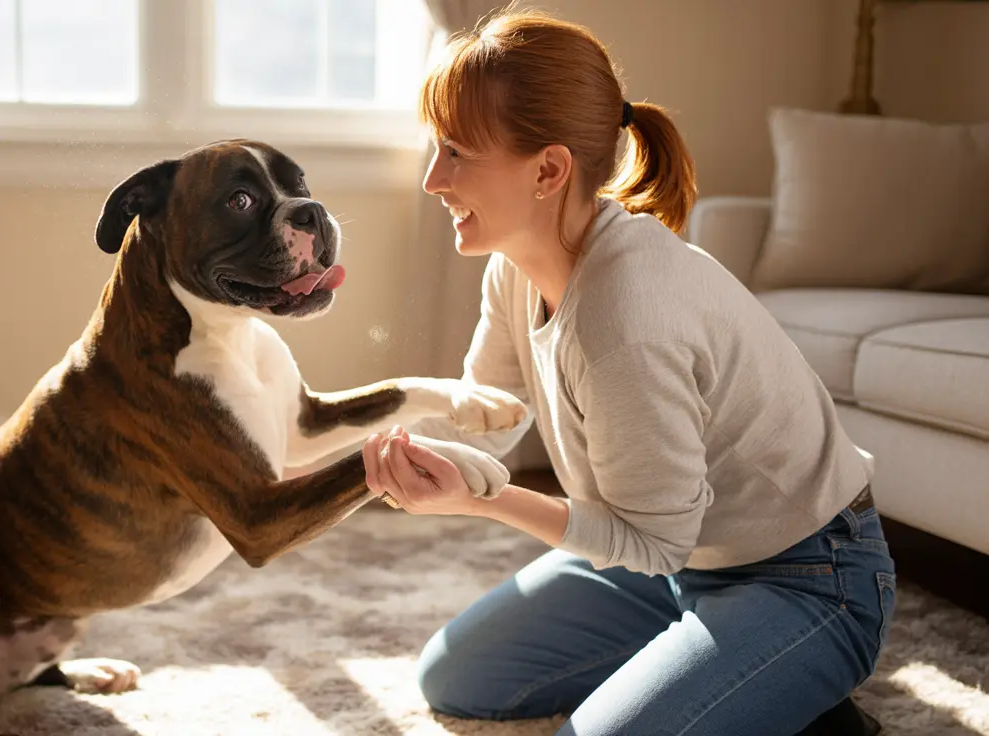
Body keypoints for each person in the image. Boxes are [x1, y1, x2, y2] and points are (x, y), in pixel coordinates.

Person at [363, 8, 895, 736]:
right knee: (458, 678)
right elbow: (489, 421)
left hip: (807, 576)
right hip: (676, 564)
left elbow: (648, 542)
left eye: (457, 152)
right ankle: (726, 674)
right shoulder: (512, 270)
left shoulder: (624, 317)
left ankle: (793, 688)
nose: (433, 179)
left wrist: (484, 502)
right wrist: (418, 454)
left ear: (548, 170)